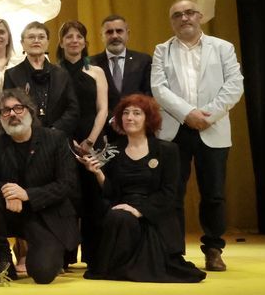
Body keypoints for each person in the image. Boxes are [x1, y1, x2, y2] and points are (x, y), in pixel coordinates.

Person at [151, 0, 244, 272]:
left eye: (189, 12)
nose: (184, 18)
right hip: (175, 131)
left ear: (199, 16)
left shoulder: (222, 47)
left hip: (212, 129)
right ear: (172, 21)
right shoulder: (162, 50)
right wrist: (188, 113)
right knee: (173, 193)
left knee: (214, 194)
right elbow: (159, 88)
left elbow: (235, 85)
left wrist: (207, 116)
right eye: (177, 15)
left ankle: (213, 249)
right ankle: (173, 251)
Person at [76, 94, 205, 283]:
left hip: (154, 215)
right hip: (122, 214)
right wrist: (98, 174)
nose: (130, 118)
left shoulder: (167, 150)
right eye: (126, 113)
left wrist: (138, 211)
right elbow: (112, 193)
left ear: (148, 119)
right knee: (116, 215)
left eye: (137, 113)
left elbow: (170, 193)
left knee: (121, 217)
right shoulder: (113, 150)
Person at [0, 89, 79, 284]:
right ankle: (4, 260)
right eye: (6, 111)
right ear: (1, 117)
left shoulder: (55, 139)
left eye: (18, 108)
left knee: (42, 274)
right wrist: (10, 192)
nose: (12, 114)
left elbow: (67, 184)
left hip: (48, 216)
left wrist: (27, 195)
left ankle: (49, 255)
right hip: (15, 214)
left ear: (30, 111)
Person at [57, 20, 109, 267]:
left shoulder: (96, 70)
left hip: (92, 139)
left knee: (93, 197)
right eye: (69, 36)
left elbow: (103, 109)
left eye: (79, 36)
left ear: (85, 42)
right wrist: (65, 139)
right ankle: (65, 255)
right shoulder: (55, 71)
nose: (74, 40)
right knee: (67, 197)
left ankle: (94, 254)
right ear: (61, 42)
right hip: (62, 141)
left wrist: (90, 140)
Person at [3, 21, 79, 135]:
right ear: (22, 43)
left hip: (58, 137)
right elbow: (8, 109)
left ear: (48, 42)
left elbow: (73, 109)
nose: (36, 40)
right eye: (31, 37)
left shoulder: (62, 74)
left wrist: (54, 130)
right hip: (25, 138)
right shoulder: (12, 74)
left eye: (41, 37)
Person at [90, 14, 153, 116]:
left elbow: (149, 96)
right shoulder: (91, 64)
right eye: (109, 32)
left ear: (127, 34)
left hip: (136, 125)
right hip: (104, 127)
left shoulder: (144, 60)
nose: (115, 36)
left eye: (119, 31)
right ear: (102, 36)